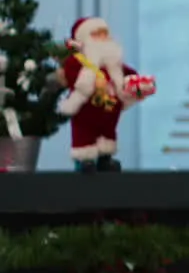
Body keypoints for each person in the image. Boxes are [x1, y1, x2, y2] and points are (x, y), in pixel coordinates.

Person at [57, 17, 155, 172]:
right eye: (97, 34)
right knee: (84, 135)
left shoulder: (115, 65)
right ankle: (85, 161)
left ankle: (105, 159)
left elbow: (129, 76)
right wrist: (92, 82)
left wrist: (139, 85)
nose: (103, 38)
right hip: (87, 111)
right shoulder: (77, 62)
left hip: (109, 111)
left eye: (105, 34)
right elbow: (72, 77)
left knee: (107, 135)